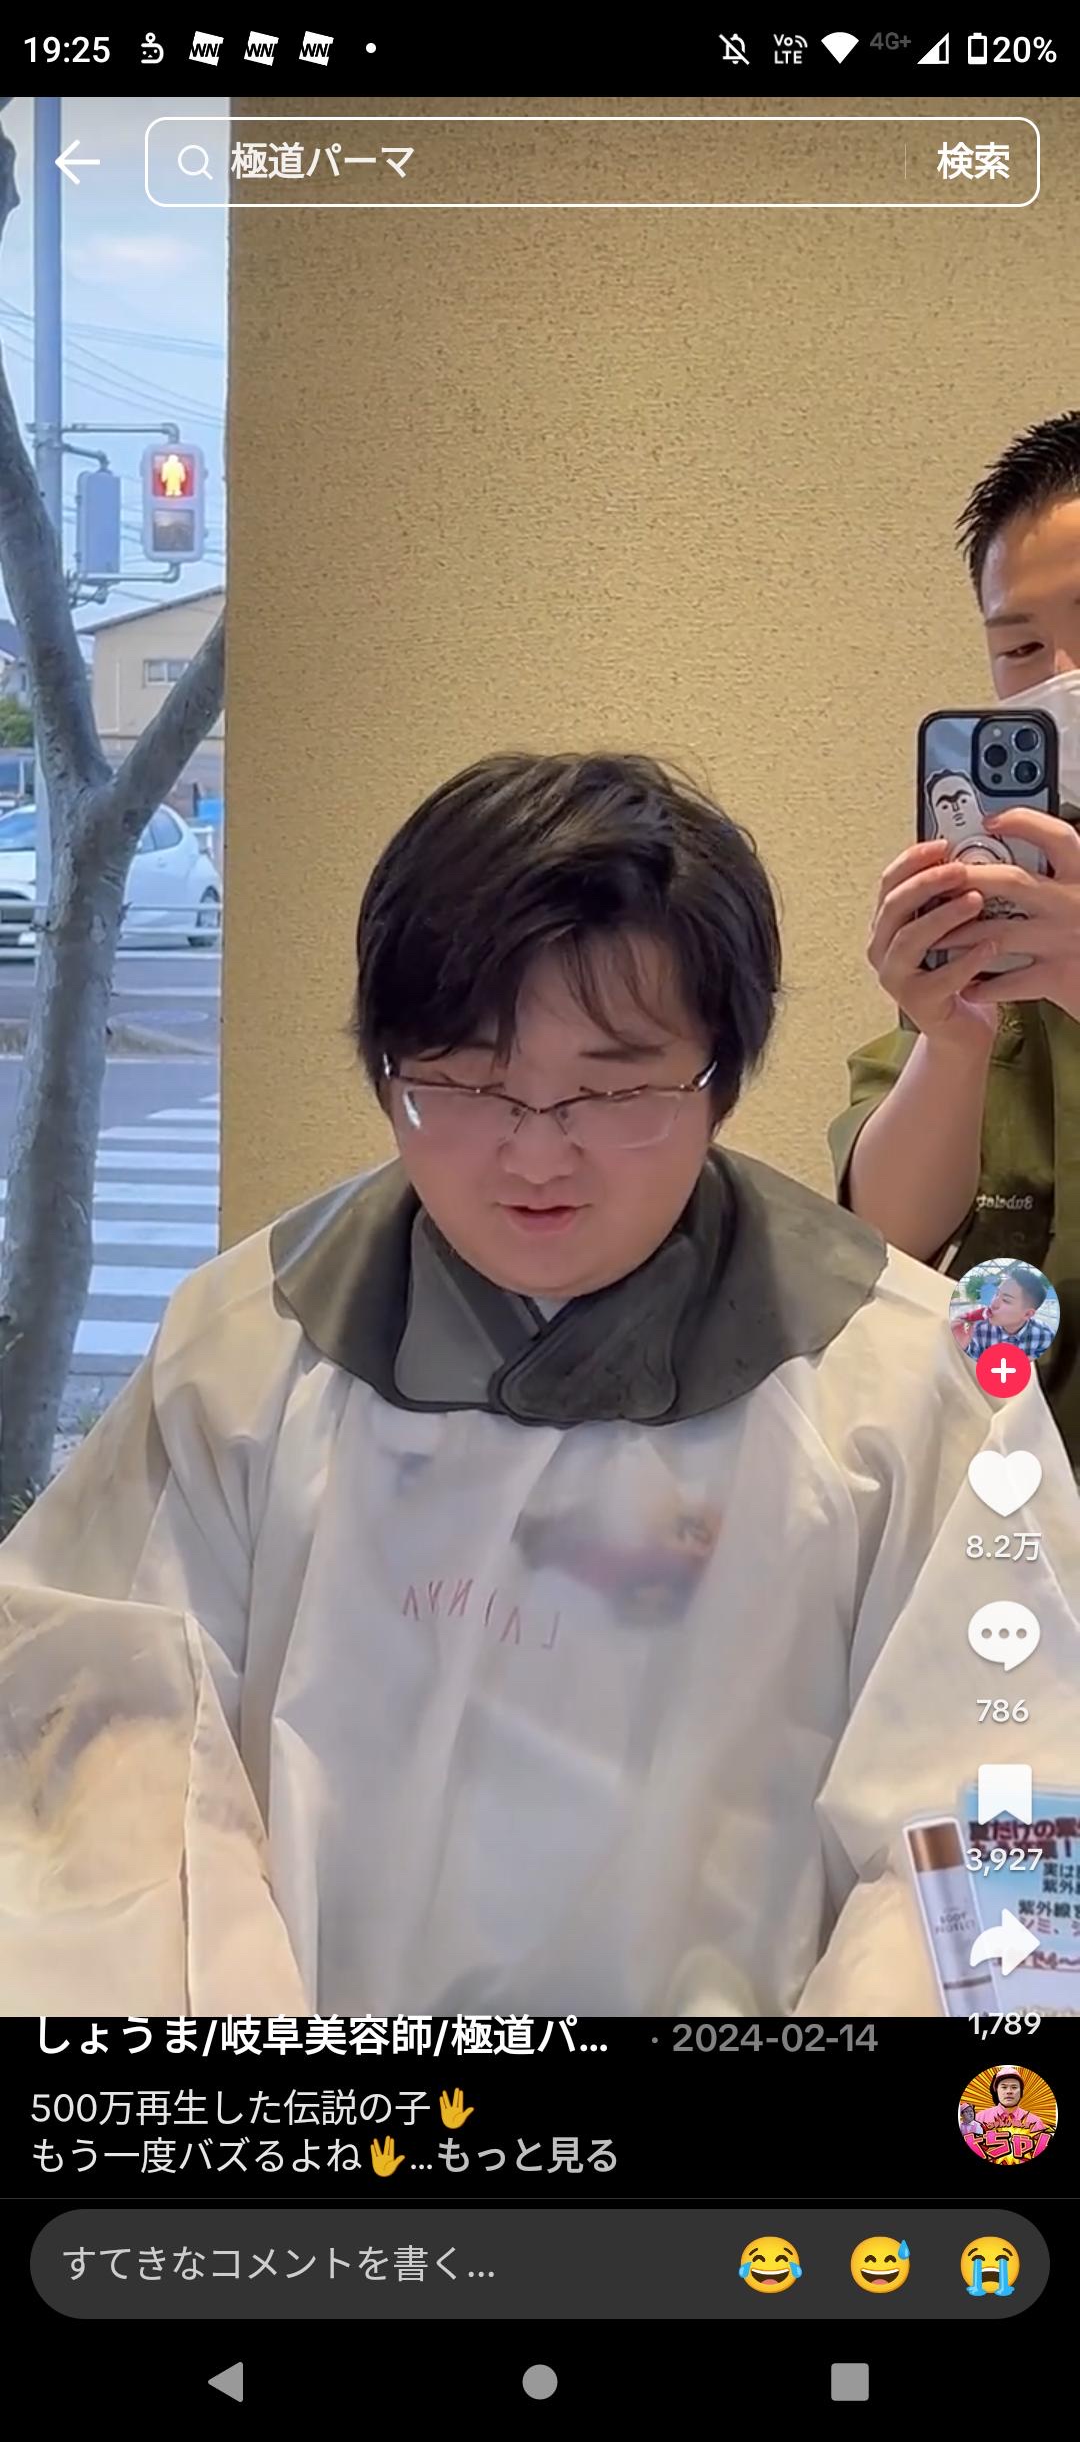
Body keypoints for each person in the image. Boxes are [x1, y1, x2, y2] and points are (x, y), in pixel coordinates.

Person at [1, 752, 1078, 2017]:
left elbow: (999, 1828)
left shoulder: (916, 1384)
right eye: (465, 1083)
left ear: (723, 1075)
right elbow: (101, 1780)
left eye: (612, 1089)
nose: (534, 1155)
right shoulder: (244, 1348)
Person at [829, 409, 1080, 1470]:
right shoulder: (1007, 890)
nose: (1061, 672)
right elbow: (888, 1239)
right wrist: (953, 1040)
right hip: (1014, 1498)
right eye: (1018, 648)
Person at [953, 1261, 1057, 1362]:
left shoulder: (1045, 1337)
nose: (993, 1304)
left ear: (1027, 1314)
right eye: (997, 1294)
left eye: (1006, 1300)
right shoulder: (979, 1329)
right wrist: (963, 1346)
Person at [961, 2068, 1052, 2166]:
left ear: (1021, 2091)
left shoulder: (1035, 2122)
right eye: (1004, 2087)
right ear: (996, 2090)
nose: (1009, 2091)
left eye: (1014, 2087)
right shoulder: (979, 2119)